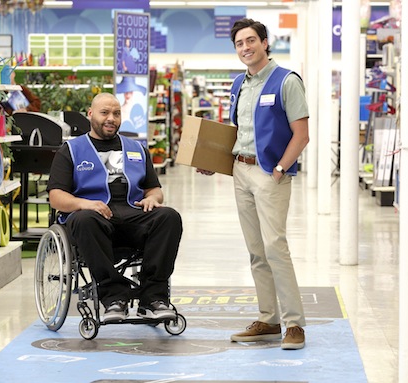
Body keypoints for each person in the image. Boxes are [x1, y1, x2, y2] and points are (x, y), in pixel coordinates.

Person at [198, 18, 309, 350]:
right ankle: (268, 319)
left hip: (269, 173)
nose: (245, 48)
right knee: (256, 251)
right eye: (239, 44)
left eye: (250, 41)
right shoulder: (238, 84)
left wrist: (278, 169)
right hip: (240, 172)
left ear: (264, 42)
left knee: (275, 247)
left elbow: (301, 135)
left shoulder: (286, 81)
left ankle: (294, 324)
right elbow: (238, 131)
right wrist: (214, 161)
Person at [46, 92, 183, 323]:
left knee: (169, 217)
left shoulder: (137, 149)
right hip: (93, 218)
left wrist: (153, 198)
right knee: (83, 219)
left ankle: (153, 298)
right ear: (90, 114)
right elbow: (56, 196)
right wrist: (83, 204)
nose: (111, 118)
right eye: (105, 112)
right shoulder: (71, 150)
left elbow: (153, 188)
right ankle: (113, 297)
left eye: (116, 113)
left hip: (132, 213)